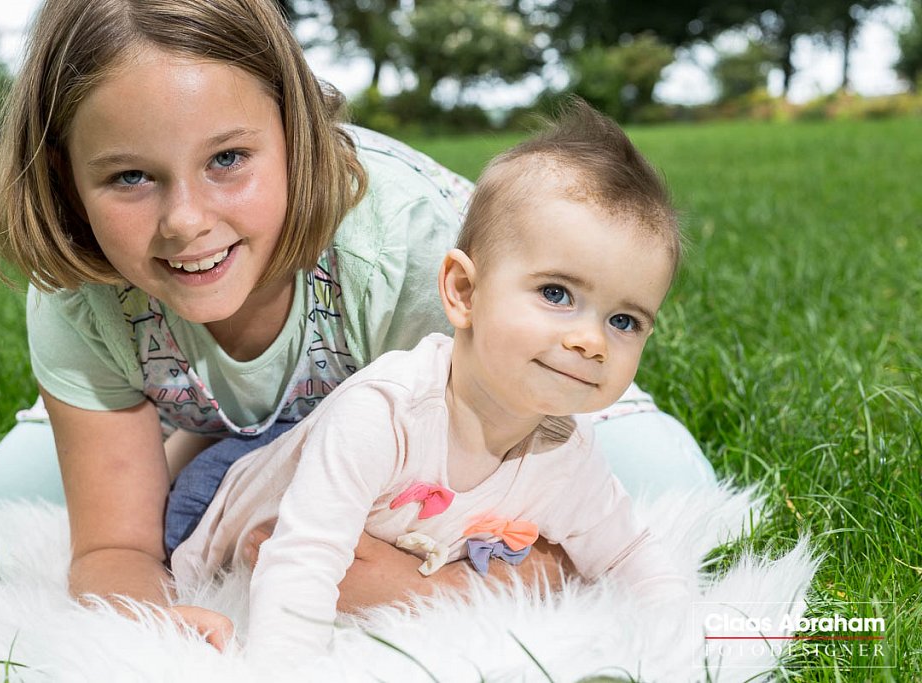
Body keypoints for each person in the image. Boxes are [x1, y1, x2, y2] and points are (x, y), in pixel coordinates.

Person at [0, 0, 713, 652]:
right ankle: (217, 426)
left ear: (297, 131)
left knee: (671, 478)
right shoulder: (78, 292)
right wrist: (163, 625)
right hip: (255, 406)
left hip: (471, 387)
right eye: (131, 176)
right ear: (66, 177)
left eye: (228, 158)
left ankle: (230, 433)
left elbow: (519, 471)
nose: (186, 221)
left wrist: (445, 583)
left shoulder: (407, 246)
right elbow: (115, 547)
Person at [171, 98, 690, 661]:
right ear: (463, 292)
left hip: (365, 498)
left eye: (623, 321)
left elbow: (629, 556)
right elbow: (302, 557)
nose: (591, 341)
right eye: (556, 294)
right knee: (224, 482)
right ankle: (197, 435)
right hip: (221, 500)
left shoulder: (566, 454)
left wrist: (683, 639)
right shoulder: (385, 415)